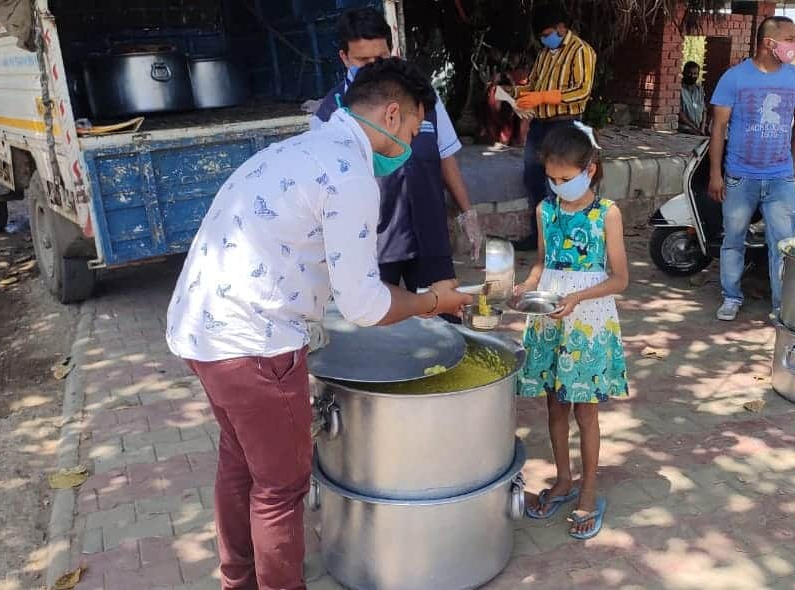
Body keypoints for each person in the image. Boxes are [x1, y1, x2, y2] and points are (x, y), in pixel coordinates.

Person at [165, 58, 473, 590]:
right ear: (393, 113)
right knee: (281, 489)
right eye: (415, 130)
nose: (413, 145)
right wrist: (432, 303)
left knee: (240, 461)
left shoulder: (296, 148)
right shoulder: (350, 175)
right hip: (255, 346)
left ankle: (236, 578)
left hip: (200, 329)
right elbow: (366, 306)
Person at [310, 7, 483, 295]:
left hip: (430, 237)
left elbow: (445, 159)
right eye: (362, 60)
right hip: (372, 245)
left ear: (393, 51)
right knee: (382, 332)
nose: (373, 66)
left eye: (380, 58)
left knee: (444, 317)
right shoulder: (330, 114)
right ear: (344, 58)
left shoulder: (422, 98)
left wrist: (468, 215)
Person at [514, 123, 628, 540]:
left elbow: (620, 280)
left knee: (586, 411)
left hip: (590, 324)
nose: (558, 186)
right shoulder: (546, 212)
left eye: (566, 178)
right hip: (550, 321)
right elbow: (542, 263)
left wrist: (579, 298)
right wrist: (527, 287)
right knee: (555, 405)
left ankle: (590, 489)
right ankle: (563, 480)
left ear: (591, 170)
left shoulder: (607, 214)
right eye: (552, 179)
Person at [707, 16, 795, 321]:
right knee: (733, 239)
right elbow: (718, 128)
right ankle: (730, 296)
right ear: (769, 43)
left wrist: (793, 162)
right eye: (789, 38)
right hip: (740, 176)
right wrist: (716, 174)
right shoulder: (735, 78)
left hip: (780, 179)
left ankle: (781, 306)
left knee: (784, 244)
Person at [510, 3, 597, 251]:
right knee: (533, 177)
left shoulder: (581, 51)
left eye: (547, 34)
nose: (545, 40)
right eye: (541, 37)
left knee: (562, 182)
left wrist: (545, 97)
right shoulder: (545, 55)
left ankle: (567, 237)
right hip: (540, 125)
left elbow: (582, 91)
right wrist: (512, 92)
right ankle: (540, 234)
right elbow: (533, 85)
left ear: (561, 27)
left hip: (565, 125)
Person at [678, 61, 707, 135]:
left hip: (699, 128)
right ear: (683, 73)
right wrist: (695, 129)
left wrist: (702, 129)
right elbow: (680, 113)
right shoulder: (679, 89)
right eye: (689, 73)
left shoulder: (699, 89)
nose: (692, 76)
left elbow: (704, 110)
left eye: (695, 74)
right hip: (684, 128)